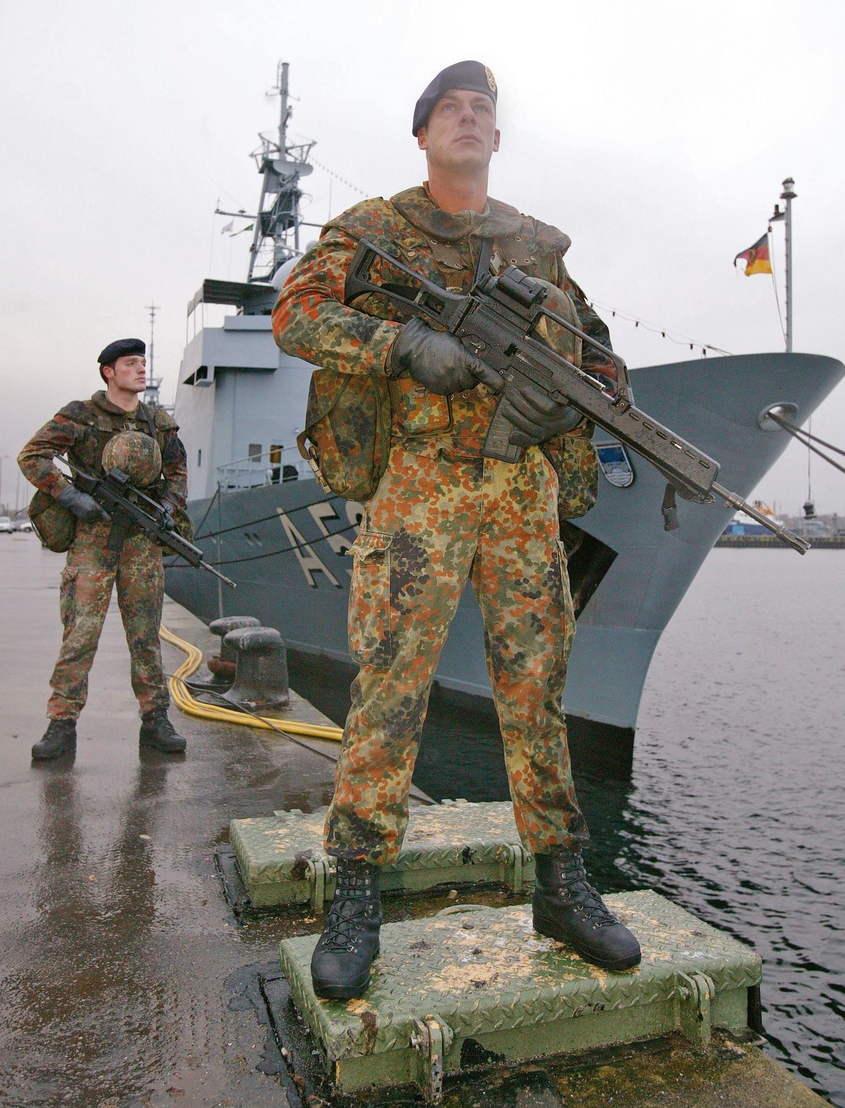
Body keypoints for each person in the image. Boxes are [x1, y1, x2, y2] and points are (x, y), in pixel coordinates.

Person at [272, 61, 641, 1000]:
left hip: (521, 490)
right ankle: (356, 891)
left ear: (498, 137)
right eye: (451, 109)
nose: (470, 119)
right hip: (421, 480)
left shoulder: (536, 245)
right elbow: (296, 313)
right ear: (424, 133)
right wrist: (401, 344)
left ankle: (561, 882)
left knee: (536, 686)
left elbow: (592, 344)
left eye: (484, 109)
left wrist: (597, 388)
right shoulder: (373, 232)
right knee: (390, 682)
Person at [18, 338, 189, 760]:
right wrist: (69, 496)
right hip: (92, 539)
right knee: (80, 634)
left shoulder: (158, 423)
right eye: (131, 364)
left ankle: (156, 720)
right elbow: (33, 455)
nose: (141, 370)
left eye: (143, 363)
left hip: (141, 541)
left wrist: (168, 505)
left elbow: (178, 471)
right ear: (108, 372)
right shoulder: (81, 416)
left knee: (145, 634)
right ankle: (62, 724)